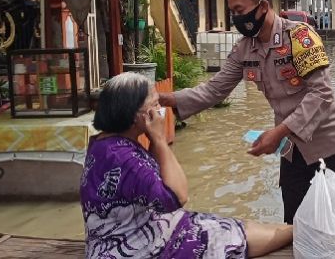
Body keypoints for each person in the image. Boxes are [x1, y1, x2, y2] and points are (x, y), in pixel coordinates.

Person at [159, 0, 335, 224]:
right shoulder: (244, 49)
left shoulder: (300, 38)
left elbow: (322, 93)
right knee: (296, 225)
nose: (237, 18)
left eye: (240, 10)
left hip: (332, 143)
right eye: (232, 12)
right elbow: (215, 89)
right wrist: (167, 99)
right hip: (293, 150)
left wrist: (278, 133)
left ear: (262, 6)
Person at [81, 72, 292, 258]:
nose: (159, 110)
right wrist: (159, 139)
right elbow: (176, 197)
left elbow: (153, 175)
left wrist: (154, 140)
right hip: (138, 247)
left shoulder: (103, 145)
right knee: (227, 235)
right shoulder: (125, 158)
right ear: (138, 116)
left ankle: (292, 230)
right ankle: (297, 231)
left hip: (114, 239)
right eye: (154, 105)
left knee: (230, 224)